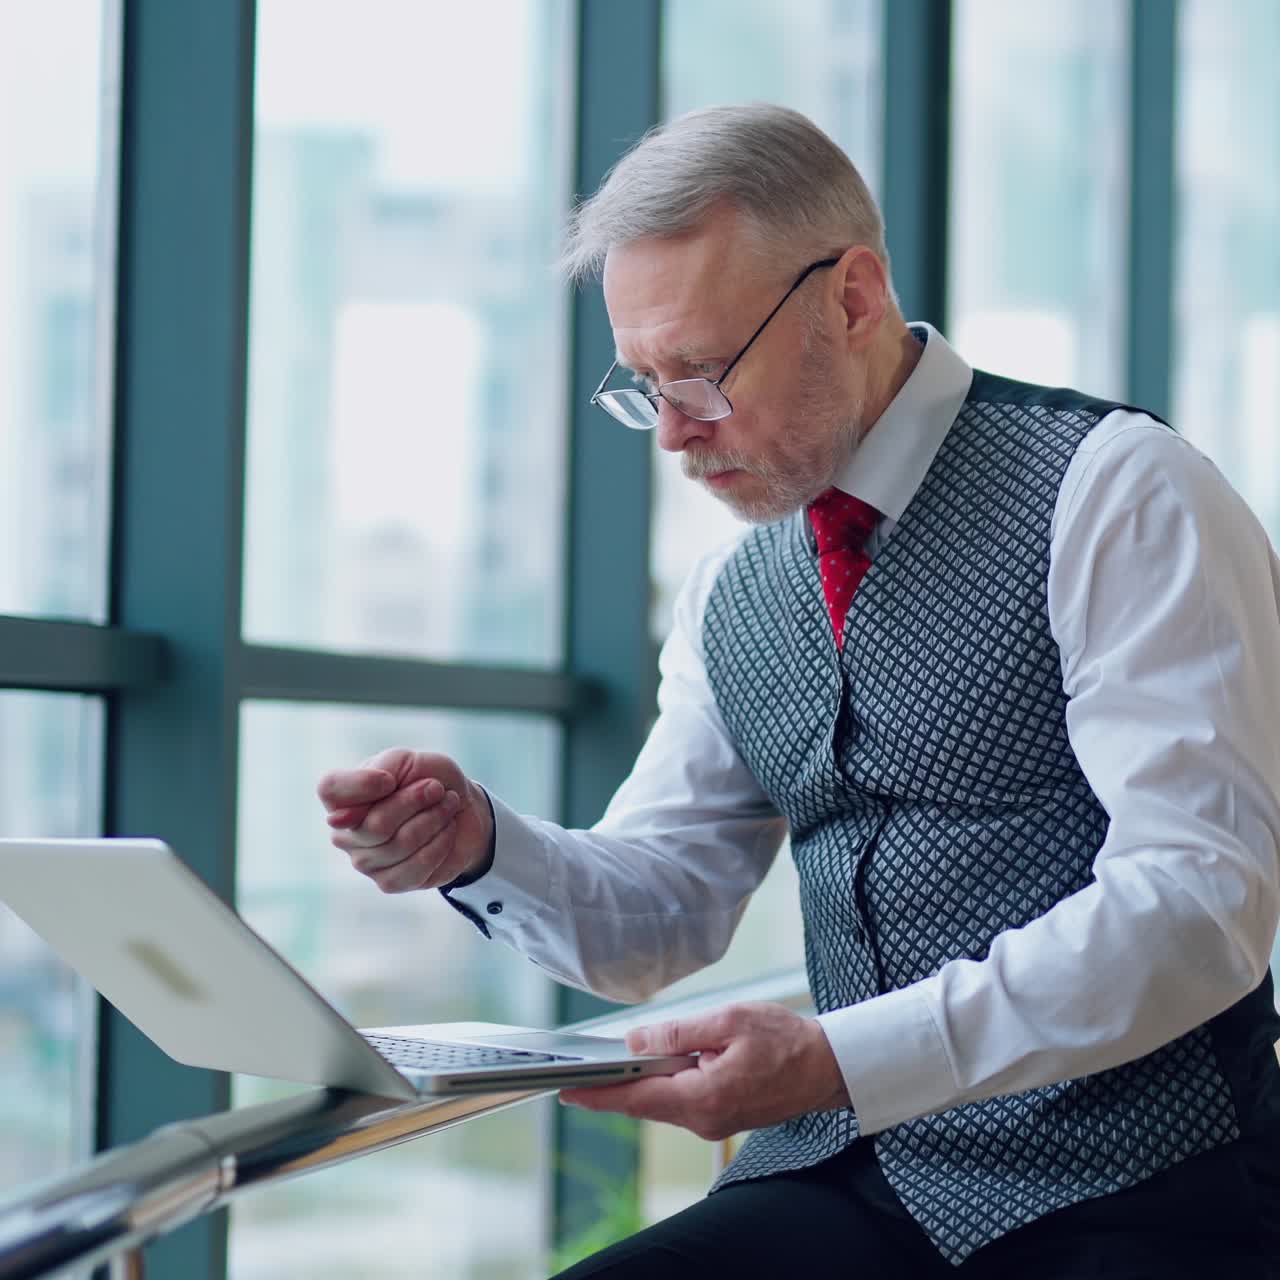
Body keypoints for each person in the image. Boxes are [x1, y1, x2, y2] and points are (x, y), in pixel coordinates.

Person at [317, 104, 1280, 1276]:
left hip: (1140, 1189)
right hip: (845, 1181)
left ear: (852, 297)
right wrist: (476, 846)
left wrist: (837, 1060)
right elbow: (663, 906)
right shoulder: (731, 590)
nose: (671, 434)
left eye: (701, 374)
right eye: (643, 384)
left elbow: (1197, 901)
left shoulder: (1117, 491)